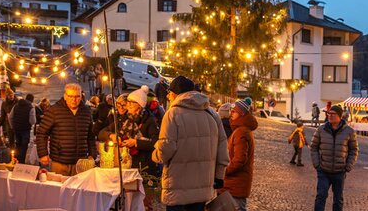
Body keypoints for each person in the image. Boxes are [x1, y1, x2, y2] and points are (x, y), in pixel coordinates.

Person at [152, 76, 229, 211]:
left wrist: (155, 155)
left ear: (175, 93)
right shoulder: (212, 114)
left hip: (177, 186)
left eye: (169, 93)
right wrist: (219, 176)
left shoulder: (172, 114)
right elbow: (222, 148)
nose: (168, 96)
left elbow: (166, 148)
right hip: (202, 187)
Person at [36, 83, 97, 176]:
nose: (74, 99)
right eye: (71, 96)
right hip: (60, 162)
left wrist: (92, 154)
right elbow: (41, 133)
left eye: (77, 96)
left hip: (81, 163)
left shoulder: (86, 112)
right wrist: (43, 153)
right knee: (59, 189)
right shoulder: (54, 111)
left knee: (79, 189)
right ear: (65, 96)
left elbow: (90, 136)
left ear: (81, 96)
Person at [100, 86, 159, 174]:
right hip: (124, 164)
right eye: (128, 102)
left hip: (143, 166)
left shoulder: (149, 120)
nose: (128, 104)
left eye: (132, 102)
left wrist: (136, 142)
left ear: (139, 105)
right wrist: (112, 136)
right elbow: (101, 133)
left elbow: (155, 143)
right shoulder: (123, 119)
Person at [311, 105, 358, 211]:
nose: (330, 116)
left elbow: (354, 150)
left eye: (333, 114)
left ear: (340, 116)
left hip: (340, 171)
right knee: (320, 197)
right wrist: (317, 164)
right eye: (329, 113)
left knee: (338, 199)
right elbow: (314, 147)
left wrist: (348, 166)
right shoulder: (321, 129)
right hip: (323, 170)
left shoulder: (349, 131)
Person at [221, 98, 258, 211]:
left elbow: (239, 160)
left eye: (234, 111)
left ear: (241, 113)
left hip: (235, 185)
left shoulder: (242, 131)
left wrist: (223, 171)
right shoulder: (240, 130)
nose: (231, 113)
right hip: (233, 184)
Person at [9, 93, 36, 164]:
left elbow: (10, 117)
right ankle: (21, 163)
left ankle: (16, 162)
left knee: (17, 145)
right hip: (25, 130)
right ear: (32, 100)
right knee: (24, 147)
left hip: (17, 129)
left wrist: (12, 126)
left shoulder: (16, 105)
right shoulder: (31, 107)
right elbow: (32, 121)